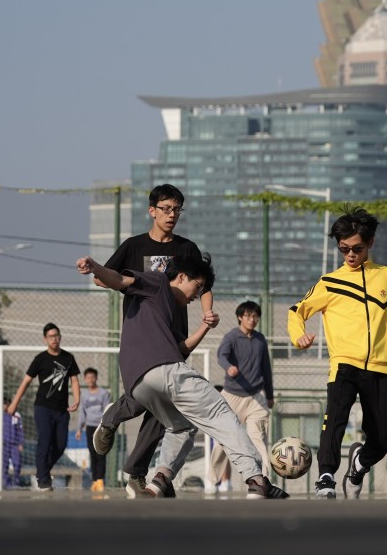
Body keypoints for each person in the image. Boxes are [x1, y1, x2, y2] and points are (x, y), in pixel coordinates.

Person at [76, 253, 286, 499]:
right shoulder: (159, 282)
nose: (197, 296)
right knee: (220, 412)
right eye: (197, 287)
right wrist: (95, 268)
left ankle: (157, 484)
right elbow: (120, 280)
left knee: (181, 428)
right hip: (166, 372)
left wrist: (205, 326)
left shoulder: (164, 311)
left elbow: (181, 348)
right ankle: (257, 479)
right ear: (182, 276)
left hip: (139, 385)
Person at [287, 206, 387, 499]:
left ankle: (359, 464)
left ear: (370, 244)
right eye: (344, 249)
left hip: (382, 368)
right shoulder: (329, 282)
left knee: (382, 440)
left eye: (357, 248)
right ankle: (326, 477)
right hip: (344, 364)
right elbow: (296, 311)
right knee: (334, 420)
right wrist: (298, 337)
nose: (350, 255)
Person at [90, 183, 217, 498]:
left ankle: (136, 471)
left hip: (173, 337)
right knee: (152, 394)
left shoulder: (187, 249)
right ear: (152, 210)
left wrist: (207, 312)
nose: (172, 215)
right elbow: (106, 276)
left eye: (177, 210)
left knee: (166, 406)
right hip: (142, 333)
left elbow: (205, 283)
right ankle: (117, 423)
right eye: (166, 209)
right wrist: (94, 269)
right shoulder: (134, 246)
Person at [208, 301, 274, 493]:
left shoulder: (261, 340)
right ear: (240, 317)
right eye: (248, 316)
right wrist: (228, 367)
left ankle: (262, 480)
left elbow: (266, 370)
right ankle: (213, 479)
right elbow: (221, 355)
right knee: (223, 440)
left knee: (258, 439)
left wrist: (269, 395)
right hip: (232, 396)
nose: (252, 320)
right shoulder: (231, 337)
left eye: (255, 316)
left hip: (256, 398)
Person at [7, 322, 81, 491]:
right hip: (43, 408)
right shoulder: (40, 359)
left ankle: (43, 470)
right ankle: (43, 479)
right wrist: (14, 404)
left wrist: (77, 399)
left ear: (60, 337)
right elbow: (26, 381)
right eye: (51, 337)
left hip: (62, 410)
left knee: (60, 445)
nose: (54, 339)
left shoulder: (68, 358)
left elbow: (75, 380)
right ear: (45, 339)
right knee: (45, 441)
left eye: (57, 336)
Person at [75, 367, 111, 492]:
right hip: (89, 427)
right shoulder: (84, 395)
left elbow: (108, 411)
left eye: (92, 377)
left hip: (101, 427)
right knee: (92, 454)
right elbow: (82, 413)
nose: (90, 379)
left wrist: (106, 426)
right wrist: (79, 429)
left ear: (96, 378)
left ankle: (101, 480)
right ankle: (95, 480)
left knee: (100, 453)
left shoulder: (104, 394)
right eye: (88, 377)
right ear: (85, 379)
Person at [0, 398, 24, 489]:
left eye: (5, 404)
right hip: (3, 445)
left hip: (14, 444)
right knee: (3, 464)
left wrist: (21, 443)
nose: (3, 406)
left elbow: (20, 430)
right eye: (2, 404)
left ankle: (16, 482)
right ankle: (6, 483)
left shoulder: (16, 415)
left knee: (17, 463)